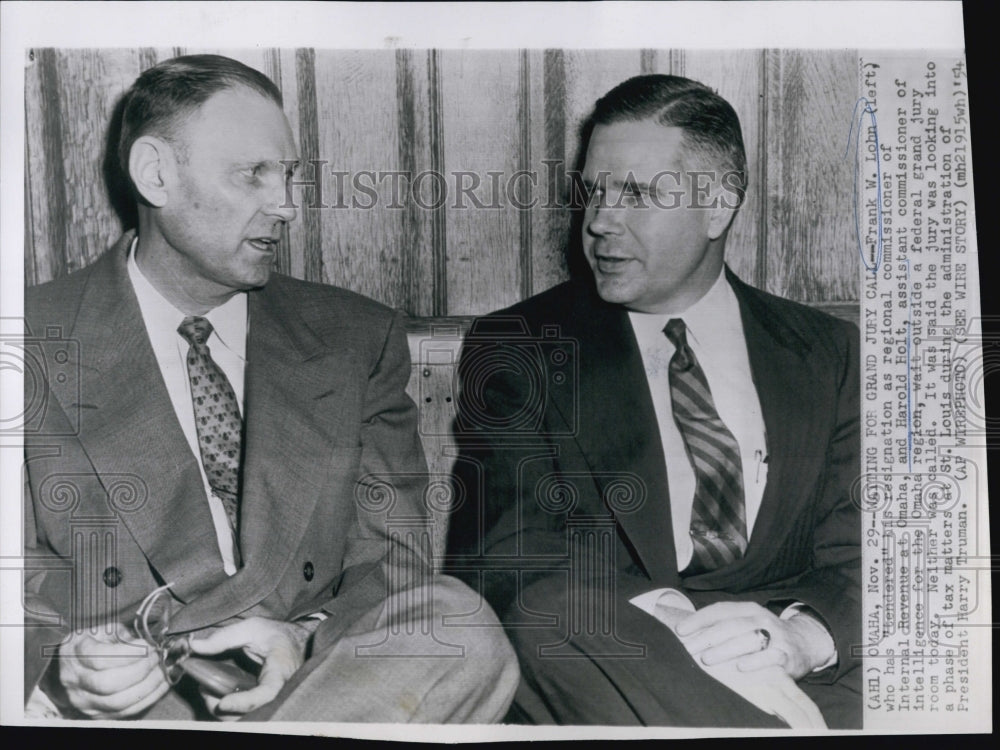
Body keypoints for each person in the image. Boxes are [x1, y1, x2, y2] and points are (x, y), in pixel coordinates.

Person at [23, 54, 518, 722]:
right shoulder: (27, 339)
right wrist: (62, 669)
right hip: (132, 696)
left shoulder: (354, 337)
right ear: (155, 173)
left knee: (458, 624)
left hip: (319, 680)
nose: (286, 205)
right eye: (253, 173)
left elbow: (389, 565)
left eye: (288, 176)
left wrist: (303, 634)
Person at [446, 74, 861, 728]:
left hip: (801, 674)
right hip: (612, 667)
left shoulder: (831, 355)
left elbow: (864, 553)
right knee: (550, 612)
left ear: (718, 206)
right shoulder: (522, 347)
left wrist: (801, 639)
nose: (600, 222)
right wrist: (687, 639)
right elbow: (503, 555)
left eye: (636, 194)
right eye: (593, 192)